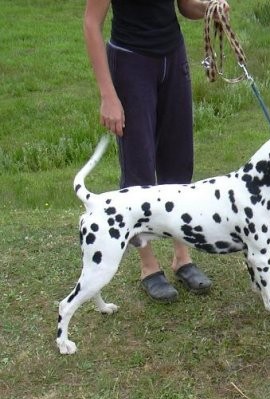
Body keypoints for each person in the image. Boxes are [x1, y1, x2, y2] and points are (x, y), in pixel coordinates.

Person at [84, 0, 229, 302]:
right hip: (131, 61)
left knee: (178, 163)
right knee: (139, 167)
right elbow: (91, 24)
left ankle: (182, 256)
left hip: (172, 57)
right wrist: (108, 95)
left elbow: (184, 5)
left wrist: (208, 9)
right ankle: (148, 266)